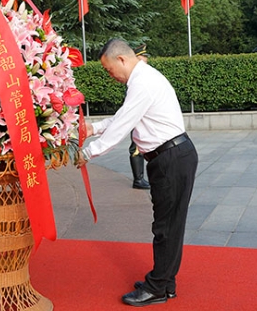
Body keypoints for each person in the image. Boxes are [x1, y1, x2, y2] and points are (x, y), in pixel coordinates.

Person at [76, 39, 198, 307]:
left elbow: (122, 126)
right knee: (168, 224)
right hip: (170, 157)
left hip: (170, 158)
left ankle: (157, 287)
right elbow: (124, 117)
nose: (110, 76)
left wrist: (86, 153)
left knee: (166, 227)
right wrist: (92, 129)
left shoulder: (142, 83)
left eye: (109, 70)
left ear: (121, 59)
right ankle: (165, 283)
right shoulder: (142, 79)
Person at [129, 43, 150, 190]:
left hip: (142, 116)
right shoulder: (134, 78)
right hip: (137, 117)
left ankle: (140, 178)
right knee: (136, 148)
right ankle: (138, 179)